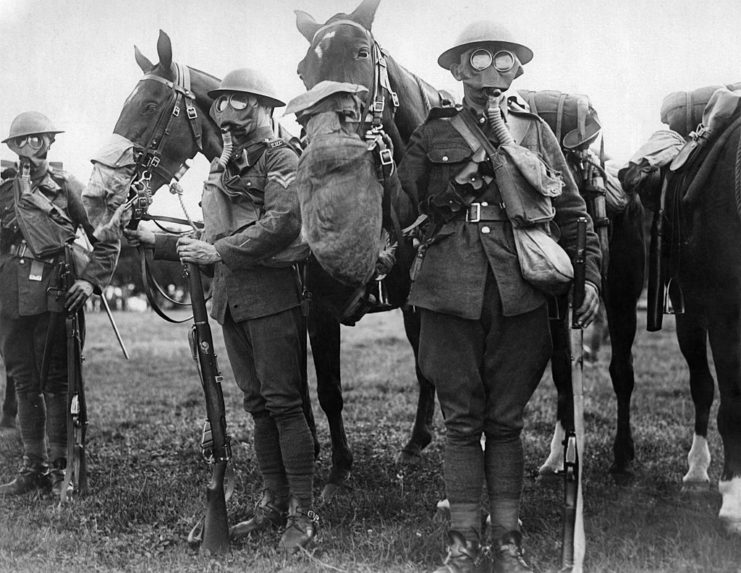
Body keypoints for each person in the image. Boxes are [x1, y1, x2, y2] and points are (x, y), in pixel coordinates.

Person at [397, 22, 602, 573]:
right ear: (458, 70)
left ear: (517, 68)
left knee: (506, 422)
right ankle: (463, 543)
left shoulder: (534, 132)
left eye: (504, 60)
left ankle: (507, 542)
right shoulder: (432, 133)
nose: (491, 71)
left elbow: (575, 215)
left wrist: (589, 280)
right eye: (479, 60)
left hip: (521, 290)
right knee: (462, 422)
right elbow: (400, 208)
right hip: (448, 292)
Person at [124, 68, 316, 553]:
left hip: (272, 298)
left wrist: (220, 254)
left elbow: (281, 222)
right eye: (224, 102)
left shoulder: (280, 156)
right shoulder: (224, 166)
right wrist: (158, 241)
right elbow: (211, 236)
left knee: (285, 404)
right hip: (232, 302)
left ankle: (302, 511)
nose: (229, 113)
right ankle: (274, 503)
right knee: (257, 406)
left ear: (263, 107)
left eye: (241, 103)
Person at [0, 111, 119, 496]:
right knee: (22, 379)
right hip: (11, 298)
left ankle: (59, 467)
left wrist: (89, 282)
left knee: (56, 382)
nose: (30, 149)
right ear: (13, 148)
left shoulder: (68, 187)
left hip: (55, 294)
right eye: (22, 142)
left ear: (51, 143)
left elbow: (107, 238)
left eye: (38, 141)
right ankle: (31, 466)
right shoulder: (3, 191)